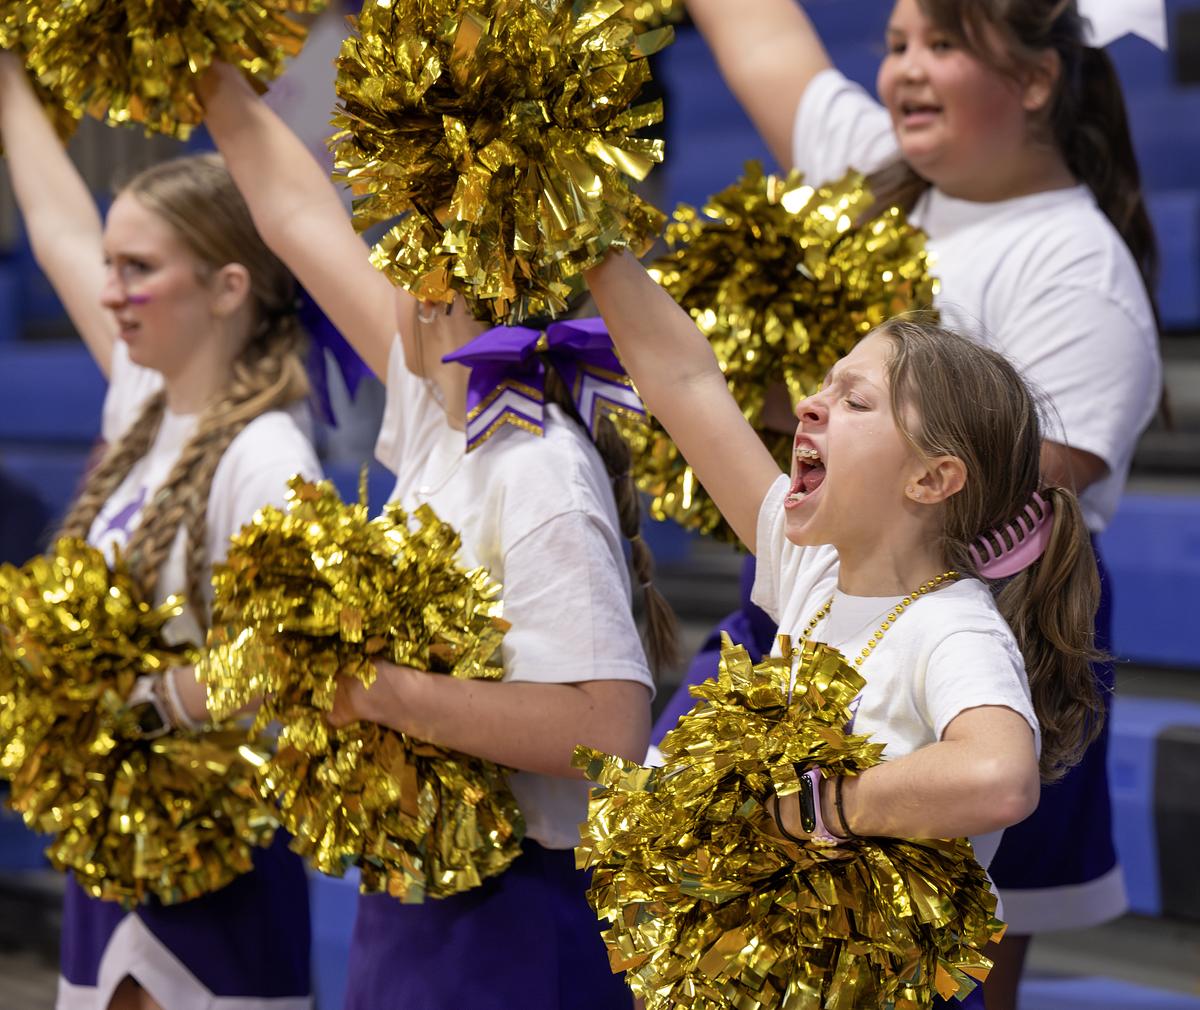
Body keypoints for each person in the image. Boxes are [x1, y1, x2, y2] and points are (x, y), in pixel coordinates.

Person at [659, 3, 1163, 1000]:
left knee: (946, 945)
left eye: (944, 45)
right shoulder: (880, 161)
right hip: (836, 576)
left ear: (1034, 82)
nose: (906, 71)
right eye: (894, 45)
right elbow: (762, 40)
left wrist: (788, 419)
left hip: (996, 606)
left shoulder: (1077, 266)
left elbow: (1010, 492)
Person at [198, 58, 674, 1010]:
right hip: (423, 895)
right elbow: (296, 215)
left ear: (444, 274)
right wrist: (192, 57)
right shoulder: (440, 400)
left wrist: (373, 690)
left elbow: (607, 728)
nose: (374, 240)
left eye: (405, 216)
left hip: (517, 920)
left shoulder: (538, 463)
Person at [589, 246, 1116, 1007]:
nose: (809, 404)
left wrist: (823, 807)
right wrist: (593, 244)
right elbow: (684, 382)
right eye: (823, 387)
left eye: (854, 402)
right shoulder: (814, 571)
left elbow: (1000, 777)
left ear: (932, 478)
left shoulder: (954, 628)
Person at [0, 51, 321, 1010]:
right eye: (112, 267)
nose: (108, 292)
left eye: (138, 269)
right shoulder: (145, 399)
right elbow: (56, 228)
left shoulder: (268, 455)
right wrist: (11, 73)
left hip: (219, 859)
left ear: (228, 287)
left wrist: (141, 702)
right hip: (112, 852)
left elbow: (294, 663)